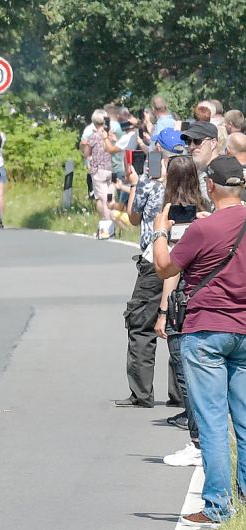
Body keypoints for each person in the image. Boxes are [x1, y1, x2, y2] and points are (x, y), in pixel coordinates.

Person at [151, 155, 246, 527]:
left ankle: (219, 506)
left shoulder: (202, 231)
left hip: (206, 330)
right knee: (244, 420)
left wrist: (161, 230)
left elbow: (164, 267)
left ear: (211, 186)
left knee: (211, 423)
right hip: (243, 327)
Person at [116, 129, 187, 410]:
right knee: (178, 322)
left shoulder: (150, 182)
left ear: (158, 150)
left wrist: (134, 184)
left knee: (141, 324)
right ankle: (180, 393)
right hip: (185, 256)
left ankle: (141, 392)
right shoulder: (195, 181)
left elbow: (133, 217)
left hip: (152, 259)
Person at [82, 111, 115, 238]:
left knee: (103, 199)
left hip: (98, 171)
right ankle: (111, 226)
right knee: (110, 198)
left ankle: (107, 229)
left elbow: (86, 153)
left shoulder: (94, 136)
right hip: (110, 169)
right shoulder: (110, 135)